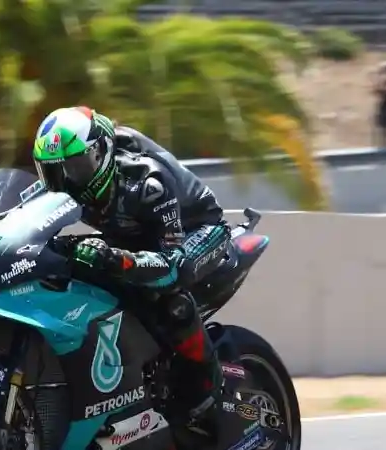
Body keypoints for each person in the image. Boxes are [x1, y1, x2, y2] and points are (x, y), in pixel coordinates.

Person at [31, 106, 234, 433]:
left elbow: (169, 263)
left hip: (196, 230)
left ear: (101, 153)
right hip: (131, 236)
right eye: (54, 172)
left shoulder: (147, 181)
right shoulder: (62, 188)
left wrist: (115, 259)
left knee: (172, 295)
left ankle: (210, 392)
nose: (66, 181)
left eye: (75, 168)